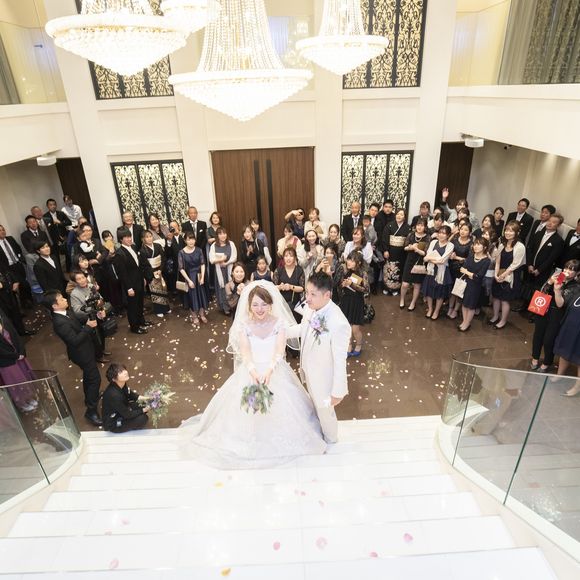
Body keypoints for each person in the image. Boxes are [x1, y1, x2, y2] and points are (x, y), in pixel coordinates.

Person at [182, 282, 326, 468]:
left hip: (274, 369)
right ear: (249, 306)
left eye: (264, 304)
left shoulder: (279, 323)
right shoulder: (244, 325)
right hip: (251, 371)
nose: (260, 309)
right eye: (255, 304)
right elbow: (245, 352)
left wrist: (270, 370)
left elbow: (279, 350)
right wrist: (252, 371)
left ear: (270, 304)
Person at [286, 271, 351, 444]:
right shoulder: (311, 307)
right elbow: (304, 329)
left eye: (313, 294)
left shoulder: (338, 323)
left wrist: (338, 391)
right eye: (307, 292)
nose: (307, 298)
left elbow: (340, 360)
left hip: (324, 379)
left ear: (327, 295)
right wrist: (282, 332)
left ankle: (331, 441)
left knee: (325, 413)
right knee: (316, 408)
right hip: (310, 371)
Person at [43, 290, 102, 426]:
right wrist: (88, 328)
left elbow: (78, 321)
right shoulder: (59, 322)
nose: (65, 299)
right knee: (95, 379)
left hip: (86, 349)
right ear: (55, 306)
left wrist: (95, 316)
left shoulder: (66, 312)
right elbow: (74, 341)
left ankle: (89, 397)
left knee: (89, 375)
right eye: (61, 299)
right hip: (81, 354)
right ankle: (91, 411)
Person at [531, 260, 580, 373]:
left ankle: (547, 362)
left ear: (577, 273)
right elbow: (542, 292)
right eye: (566, 268)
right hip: (544, 309)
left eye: (571, 270)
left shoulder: (575, 287)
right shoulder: (558, 277)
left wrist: (557, 290)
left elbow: (560, 304)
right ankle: (535, 357)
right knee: (538, 335)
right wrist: (549, 282)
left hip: (557, 314)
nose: (567, 271)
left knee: (549, 339)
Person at [114, 228, 151, 335]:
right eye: (126, 237)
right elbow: (122, 274)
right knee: (132, 306)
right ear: (121, 239)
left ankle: (141, 321)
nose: (129, 239)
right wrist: (129, 288)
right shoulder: (119, 253)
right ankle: (134, 327)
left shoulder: (134, 247)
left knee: (140, 303)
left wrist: (143, 278)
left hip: (139, 280)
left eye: (130, 236)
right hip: (130, 284)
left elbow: (138, 266)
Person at [490, 221, 526, 329]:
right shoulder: (502, 245)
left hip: (511, 276)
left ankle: (503, 321)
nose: (507, 233)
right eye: (506, 230)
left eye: (511, 231)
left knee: (505, 300)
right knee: (496, 297)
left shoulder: (520, 247)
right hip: (499, 274)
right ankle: (495, 316)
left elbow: (515, 265)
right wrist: (496, 274)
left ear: (517, 233)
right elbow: (497, 261)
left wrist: (503, 275)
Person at [0, 310, 37, 413]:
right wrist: (15, 355)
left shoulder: (2, 315)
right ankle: (22, 403)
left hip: (18, 357)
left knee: (26, 377)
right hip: (6, 361)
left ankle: (30, 398)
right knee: (15, 382)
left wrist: (21, 351)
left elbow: (14, 334)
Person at [69, 270, 110, 362]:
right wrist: (91, 309)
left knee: (102, 333)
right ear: (75, 282)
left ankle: (102, 350)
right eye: (79, 279)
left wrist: (101, 308)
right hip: (87, 319)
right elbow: (77, 310)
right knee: (94, 337)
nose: (82, 280)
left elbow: (100, 298)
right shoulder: (74, 294)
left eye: (83, 277)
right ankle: (98, 355)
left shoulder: (91, 286)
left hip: (98, 315)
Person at [553, 269, 580, 396]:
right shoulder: (576, 289)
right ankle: (560, 374)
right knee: (564, 350)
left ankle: (577, 386)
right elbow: (560, 304)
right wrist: (557, 290)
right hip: (570, 326)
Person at [337, 251, 369, 357]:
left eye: (352, 260)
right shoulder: (346, 271)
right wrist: (343, 284)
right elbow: (339, 286)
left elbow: (366, 289)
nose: (349, 262)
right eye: (348, 259)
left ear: (358, 262)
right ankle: (349, 344)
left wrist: (352, 284)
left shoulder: (363, 273)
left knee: (355, 329)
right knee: (347, 327)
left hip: (357, 302)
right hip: (346, 301)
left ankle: (359, 344)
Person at [102, 363, 149, 433]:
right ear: (114, 379)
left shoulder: (122, 384)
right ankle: (126, 424)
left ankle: (131, 420)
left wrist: (149, 398)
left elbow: (133, 396)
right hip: (114, 422)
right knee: (143, 418)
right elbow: (127, 414)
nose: (125, 372)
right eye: (120, 372)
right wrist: (144, 410)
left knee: (144, 403)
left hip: (122, 410)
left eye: (124, 370)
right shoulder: (114, 395)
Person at [458, 238, 491, 332]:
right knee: (464, 303)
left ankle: (467, 323)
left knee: (471, 305)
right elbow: (462, 269)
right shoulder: (471, 256)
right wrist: (471, 274)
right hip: (465, 282)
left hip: (475, 286)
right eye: (475, 244)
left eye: (479, 244)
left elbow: (478, 277)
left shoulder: (486, 261)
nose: (475, 246)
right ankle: (464, 321)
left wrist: (468, 273)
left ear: (485, 247)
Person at [422, 226, 454, 320]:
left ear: (448, 235)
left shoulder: (450, 245)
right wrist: (432, 259)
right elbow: (425, 257)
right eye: (440, 232)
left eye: (444, 233)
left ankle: (436, 311)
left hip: (442, 272)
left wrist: (430, 259)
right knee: (429, 291)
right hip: (431, 271)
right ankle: (430, 309)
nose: (441, 235)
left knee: (440, 293)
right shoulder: (433, 242)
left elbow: (442, 260)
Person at [179, 231, 208, 325]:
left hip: (199, 276)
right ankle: (194, 316)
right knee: (192, 297)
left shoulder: (199, 250)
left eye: (192, 239)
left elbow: (202, 264)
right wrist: (188, 280)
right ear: (185, 241)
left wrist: (202, 277)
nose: (191, 241)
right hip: (189, 276)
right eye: (188, 240)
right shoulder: (181, 252)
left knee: (201, 295)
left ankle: (202, 314)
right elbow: (181, 268)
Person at [140, 230, 171, 318]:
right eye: (147, 237)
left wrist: (160, 269)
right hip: (151, 272)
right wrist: (153, 272)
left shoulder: (157, 246)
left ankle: (166, 307)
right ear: (143, 239)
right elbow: (144, 264)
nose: (149, 238)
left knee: (163, 289)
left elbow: (163, 258)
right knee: (156, 291)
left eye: (150, 236)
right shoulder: (142, 250)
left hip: (160, 270)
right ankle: (159, 310)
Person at [400, 218, 428, 311]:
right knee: (405, 284)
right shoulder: (411, 235)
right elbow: (404, 247)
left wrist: (417, 250)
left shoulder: (427, 237)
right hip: (409, 260)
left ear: (425, 227)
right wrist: (411, 247)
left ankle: (413, 303)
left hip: (420, 262)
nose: (419, 227)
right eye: (418, 225)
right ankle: (402, 299)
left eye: (422, 225)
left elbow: (425, 253)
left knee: (417, 284)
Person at [380, 209, 409, 296]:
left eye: (401, 215)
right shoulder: (389, 225)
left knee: (398, 270)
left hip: (401, 252)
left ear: (405, 217)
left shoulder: (407, 227)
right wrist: (385, 250)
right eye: (398, 214)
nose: (399, 216)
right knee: (388, 269)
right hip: (390, 251)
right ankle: (386, 287)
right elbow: (384, 238)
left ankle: (395, 288)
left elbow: (408, 240)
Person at [447, 222, 473, 319]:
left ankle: (455, 310)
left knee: (459, 290)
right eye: (461, 229)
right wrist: (451, 255)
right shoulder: (454, 240)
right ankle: (450, 307)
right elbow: (447, 251)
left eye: (466, 230)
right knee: (451, 290)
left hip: (463, 270)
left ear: (470, 232)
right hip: (451, 267)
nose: (463, 231)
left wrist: (456, 257)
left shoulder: (471, 244)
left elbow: (470, 259)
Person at [0, 224, 30, 307]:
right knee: (21, 285)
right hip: (8, 269)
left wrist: (21, 258)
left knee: (23, 285)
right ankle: (22, 304)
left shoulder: (10, 238)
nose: (2, 232)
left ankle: (25, 303)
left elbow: (18, 248)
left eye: (3, 229)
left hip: (18, 265)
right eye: (0, 230)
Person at [209, 227, 237, 315]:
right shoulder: (213, 245)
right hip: (219, 272)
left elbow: (234, 257)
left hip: (230, 270)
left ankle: (233, 305)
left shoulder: (231, 244)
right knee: (222, 289)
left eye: (224, 233)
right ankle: (225, 308)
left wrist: (226, 263)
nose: (222, 235)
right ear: (217, 235)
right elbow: (211, 259)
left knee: (231, 288)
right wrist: (221, 260)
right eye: (220, 234)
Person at [273, 247, 305, 319]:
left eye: (291, 256)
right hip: (281, 304)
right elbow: (273, 287)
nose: (288, 258)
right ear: (283, 258)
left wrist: (291, 287)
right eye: (286, 256)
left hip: (296, 305)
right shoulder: (278, 270)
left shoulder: (299, 270)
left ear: (295, 258)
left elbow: (302, 288)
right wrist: (280, 287)